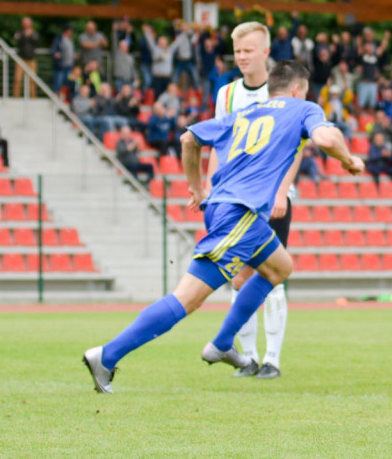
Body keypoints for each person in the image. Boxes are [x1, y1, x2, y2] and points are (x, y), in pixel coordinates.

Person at [82, 61, 364, 393]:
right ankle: (107, 355)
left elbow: (189, 139)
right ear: (297, 89)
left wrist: (196, 188)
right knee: (187, 299)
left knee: (280, 268)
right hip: (239, 215)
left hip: (227, 209)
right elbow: (326, 136)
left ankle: (222, 343)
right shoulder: (304, 107)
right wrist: (350, 160)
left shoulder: (247, 113)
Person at [212, 21, 304, 380]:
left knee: (272, 276)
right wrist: (209, 190)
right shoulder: (227, 95)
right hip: (237, 200)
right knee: (238, 278)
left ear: (265, 52)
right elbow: (220, 146)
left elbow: (296, 145)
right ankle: (247, 357)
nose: (242, 57)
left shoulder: (281, 91)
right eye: (237, 51)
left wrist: (281, 191)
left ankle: (273, 360)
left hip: (272, 200)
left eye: (248, 50)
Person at [12, 17, 40, 98]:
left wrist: (31, 35)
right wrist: (24, 35)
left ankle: (33, 97)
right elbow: (16, 40)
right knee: (17, 79)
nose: (26, 25)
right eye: (24, 23)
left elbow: (37, 42)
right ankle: (16, 97)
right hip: (21, 59)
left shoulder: (35, 33)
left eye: (27, 23)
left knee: (32, 80)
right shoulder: (19, 33)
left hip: (32, 59)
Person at [51, 25, 75, 97]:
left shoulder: (70, 40)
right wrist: (56, 53)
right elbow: (53, 49)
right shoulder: (59, 39)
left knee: (67, 82)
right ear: (67, 31)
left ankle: (64, 96)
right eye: (70, 31)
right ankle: (56, 95)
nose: (71, 33)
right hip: (60, 65)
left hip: (69, 65)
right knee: (58, 81)